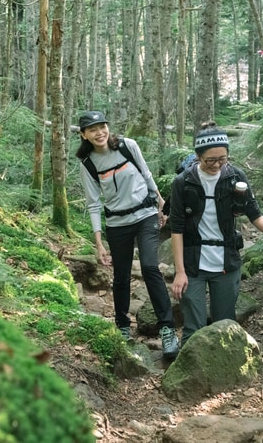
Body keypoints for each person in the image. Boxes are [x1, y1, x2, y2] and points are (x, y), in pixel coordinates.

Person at [169, 121, 263, 345]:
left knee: (224, 325)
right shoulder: (183, 182)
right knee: (193, 330)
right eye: (211, 160)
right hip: (192, 263)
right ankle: (190, 377)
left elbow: (254, 212)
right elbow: (176, 228)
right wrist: (179, 272)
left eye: (222, 159)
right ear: (198, 156)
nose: (217, 165)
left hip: (227, 261)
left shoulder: (236, 177)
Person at [75, 110, 179, 359]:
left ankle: (167, 330)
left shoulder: (127, 146)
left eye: (102, 126)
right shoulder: (87, 163)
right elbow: (93, 203)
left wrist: (161, 204)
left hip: (144, 216)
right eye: (93, 129)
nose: (99, 132)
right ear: (84, 135)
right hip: (117, 223)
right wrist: (99, 242)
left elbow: (146, 174)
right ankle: (122, 327)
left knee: (149, 267)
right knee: (121, 276)